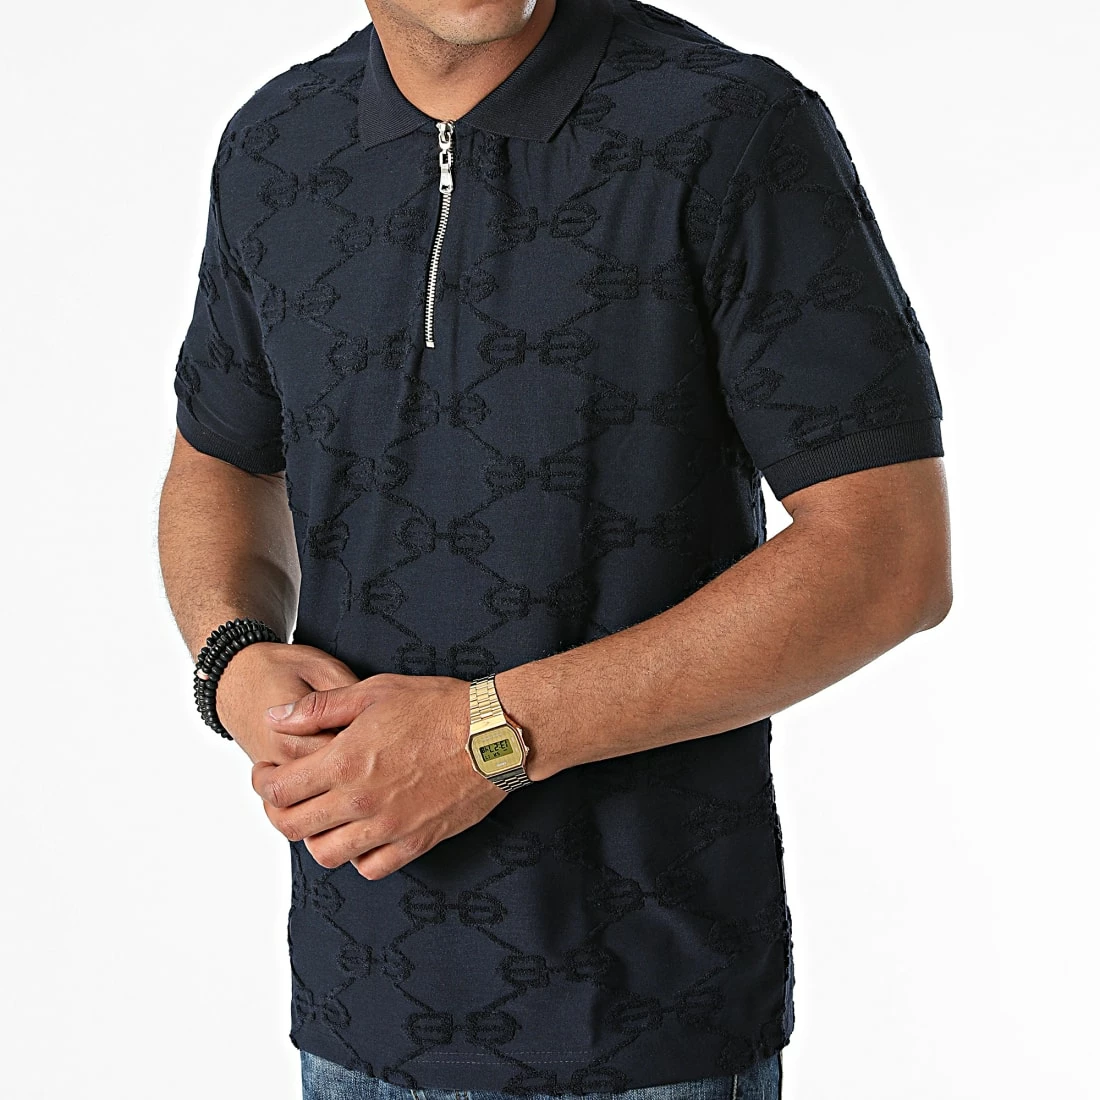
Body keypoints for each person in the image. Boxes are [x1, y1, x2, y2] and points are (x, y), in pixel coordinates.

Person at [157, 0, 952, 1097]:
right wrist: (234, 660)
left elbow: (888, 554)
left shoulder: (724, 125)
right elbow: (221, 460)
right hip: (356, 1007)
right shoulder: (275, 145)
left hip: (645, 1012)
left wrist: (488, 736)